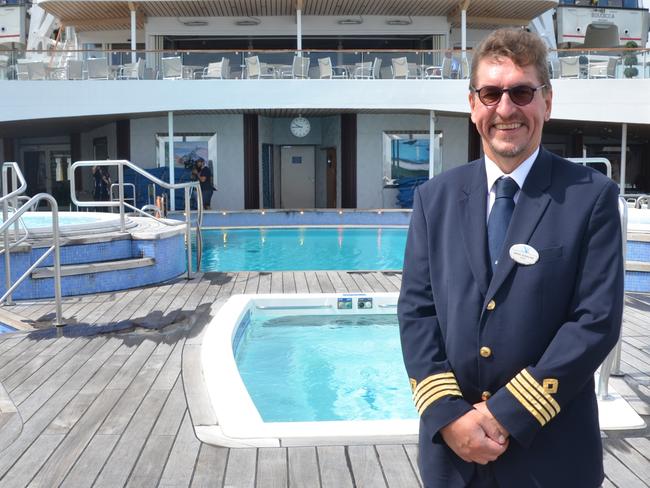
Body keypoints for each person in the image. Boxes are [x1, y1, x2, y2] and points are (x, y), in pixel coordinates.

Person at [398, 28, 623, 488]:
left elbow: (595, 321)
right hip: (454, 457)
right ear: (473, 104)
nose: (505, 109)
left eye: (521, 92)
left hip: (551, 456)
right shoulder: (433, 199)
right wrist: (451, 417)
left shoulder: (591, 197)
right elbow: (417, 314)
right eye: (491, 93)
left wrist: (505, 414)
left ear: (547, 102)